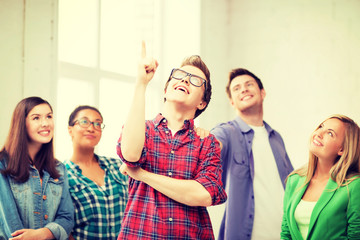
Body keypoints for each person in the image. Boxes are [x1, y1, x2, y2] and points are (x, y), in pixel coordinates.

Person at [116, 42, 227, 239]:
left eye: (195, 80)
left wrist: (142, 175)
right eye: (180, 75)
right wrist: (141, 83)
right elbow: (130, 155)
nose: (185, 80)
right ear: (166, 90)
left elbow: (203, 194)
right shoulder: (143, 130)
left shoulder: (207, 142)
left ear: (202, 102)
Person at [210, 68, 293, 240]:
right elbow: (211, 146)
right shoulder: (226, 132)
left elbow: (293, 184)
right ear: (232, 102)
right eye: (236, 88)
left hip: (285, 234)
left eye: (249, 85)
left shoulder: (276, 138)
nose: (244, 89)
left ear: (262, 93)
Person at [0, 96, 74, 240]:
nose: (45, 123)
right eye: (36, 118)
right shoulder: (2, 164)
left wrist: (43, 233)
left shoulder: (59, 168)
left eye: (49, 116)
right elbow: (10, 225)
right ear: (22, 123)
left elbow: (67, 218)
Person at [281, 114, 360, 239]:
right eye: (321, 127)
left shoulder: (354, 186)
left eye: (330, 133)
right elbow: (286, 233)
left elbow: (355, 236)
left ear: (342, 150)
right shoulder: (294, 180)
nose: (319, 133)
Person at [64, 105, 128, 240]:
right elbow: (63, 226)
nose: (91, 128)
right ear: (70, 130)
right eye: (84, 122)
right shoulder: (61, 175)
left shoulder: (117, 166)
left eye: (97, 123)